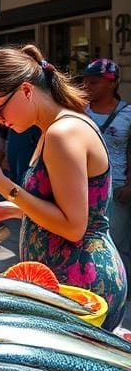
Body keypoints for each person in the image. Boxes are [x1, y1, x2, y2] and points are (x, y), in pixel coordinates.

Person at [0, 45, 127, 329]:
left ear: (26, 91)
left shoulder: (62, 133)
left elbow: (73, 226)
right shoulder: (53, 129)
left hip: (82, 285)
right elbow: (67, 206)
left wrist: (3, 185)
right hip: (68, 283)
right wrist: (15, 209)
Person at [83, 58, 131, 281]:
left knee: (118, 243)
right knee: (87, 242)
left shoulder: (128, 114)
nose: (87, 87)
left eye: (94, 82)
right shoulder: (79, 111)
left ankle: (122, 289)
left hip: (117, 187)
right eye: (86, 82)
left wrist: (130, 185)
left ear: (112, 83)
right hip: (85, 187)